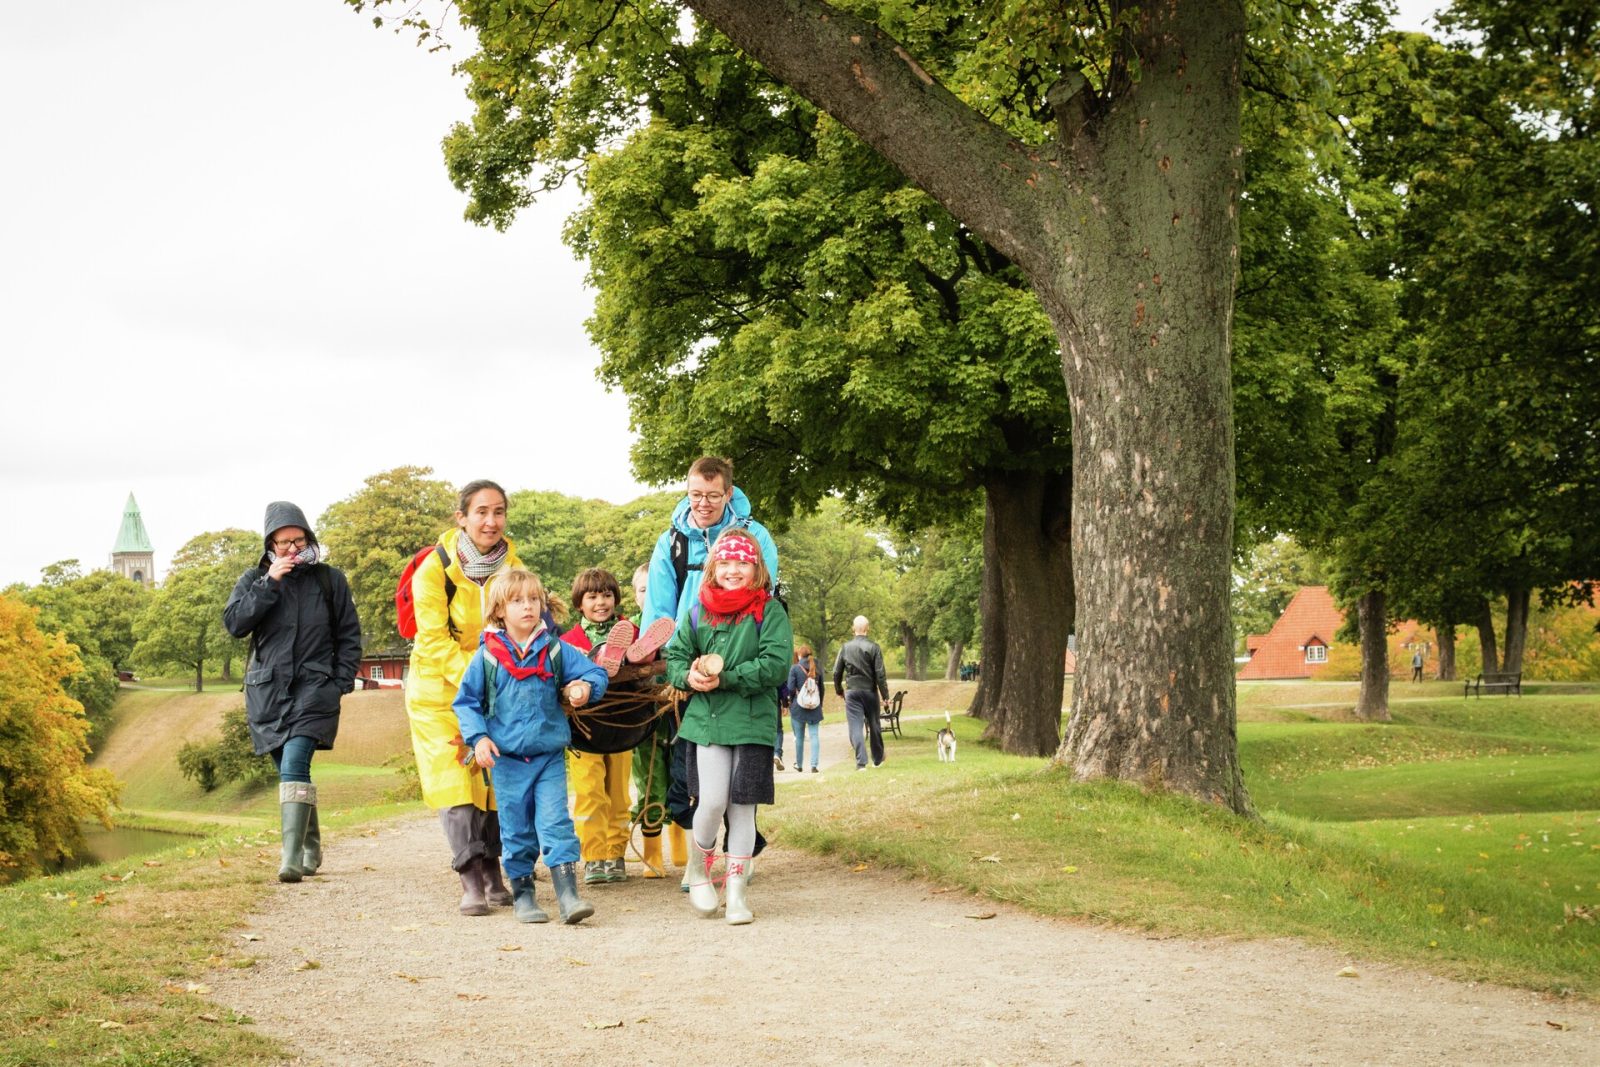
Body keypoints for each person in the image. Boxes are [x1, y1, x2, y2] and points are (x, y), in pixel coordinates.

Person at [639, 456, 779, 891]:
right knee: (694, 775)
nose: (702, 503)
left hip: (743, 663)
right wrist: (667, 665)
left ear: (728, 493)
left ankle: (741, 855)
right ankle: (698, 861)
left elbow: (763, 595)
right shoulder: (672, 541)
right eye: (695, 494)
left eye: (712, 496)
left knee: (744, 777)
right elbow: (658, 607)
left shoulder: (756, 536)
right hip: (689, 667)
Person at [452, 569, 607, 924]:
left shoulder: (554, 649)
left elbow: (596, 673)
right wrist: (479, 738)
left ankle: (569, 896)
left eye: (534, 599)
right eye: (517, 601)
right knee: (517, 830)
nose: (528, 607)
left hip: (548, 757)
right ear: (499, 611)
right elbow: (466, 702)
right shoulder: (488, 657)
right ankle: (524, 896)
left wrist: (584, 687)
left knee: (556, 824)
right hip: (507, 761)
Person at [223, 501, 362, 883]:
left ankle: (290, 858)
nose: (292, 549)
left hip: (316, 689)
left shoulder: (329, 580)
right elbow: (235, 624)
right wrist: (269, 584)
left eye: (298, 540)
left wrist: (339, 682)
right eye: (283, 543)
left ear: (308, 537)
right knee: (289, 772)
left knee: (295, 763)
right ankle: (310, 845)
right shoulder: (254, 579)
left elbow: (349, 635)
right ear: (270, 544)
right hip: (267, 692)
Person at [404, 479, 525, 916]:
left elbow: (525, 624)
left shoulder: (513, 568)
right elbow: (433, 641)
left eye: (499, 512)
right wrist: (480, 679)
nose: (491, 521)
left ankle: (493, 870)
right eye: (481, 512)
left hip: (493, 692)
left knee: (491, 782)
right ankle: (470, 877)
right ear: (462, 518)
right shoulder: (434, 570)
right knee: (456, 782)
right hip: (437, 693)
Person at [664, 529, 792, 924]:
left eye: (742, 563)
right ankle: (700, 869)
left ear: (757, 569)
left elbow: (776, 666)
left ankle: (736, 893)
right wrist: (688, 676)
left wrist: (726, 678)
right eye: (725, 562)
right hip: (708, 723)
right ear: (713, 567)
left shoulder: (770, 612)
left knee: (742, 810)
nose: (733, 570)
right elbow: (675, 657)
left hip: (752, 724)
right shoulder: (697, 612)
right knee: (712, 801)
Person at [560, 567, 637, 884]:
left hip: (622, 727)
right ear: (580, 603)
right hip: (584, 731)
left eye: (606, 595)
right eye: (592, 597)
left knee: (618, 794)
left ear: (615, 598)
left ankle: (616, 854)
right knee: (589, 793)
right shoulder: (566, 642)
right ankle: (594, 856)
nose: (601, 602)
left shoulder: (632, 631)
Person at [628, 562, 683, 877]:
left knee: (680, 776)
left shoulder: (680, 622)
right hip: (643, 722)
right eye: (643, 590)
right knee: (649, 782)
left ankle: (680, 844)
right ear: (635, 594)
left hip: (676, 715)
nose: (649, 596)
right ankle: (652, 854)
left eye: (656, 589)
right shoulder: (630, 630)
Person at [833, 615, 890, 770]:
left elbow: (836, 672)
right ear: (867, 628)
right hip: (870, 691)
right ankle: (878, 759)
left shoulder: (845, 647)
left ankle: (861, 762)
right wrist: (885, 696)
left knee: (855, 727)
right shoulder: (874, 647)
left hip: (852, 692)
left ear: (853, 629)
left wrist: (839, 690)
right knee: (874, 724)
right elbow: (880, 674)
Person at [787, 644, 824, 773]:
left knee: (799, 737)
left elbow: (790, 688)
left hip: (798, 707)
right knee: (814, 735)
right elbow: (822, 688)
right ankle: (814, 765)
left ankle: (799, 764)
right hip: (815, 706)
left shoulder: (795, 668)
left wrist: (791, 701)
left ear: (799, 655)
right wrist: (820, 704)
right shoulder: (817, 666)